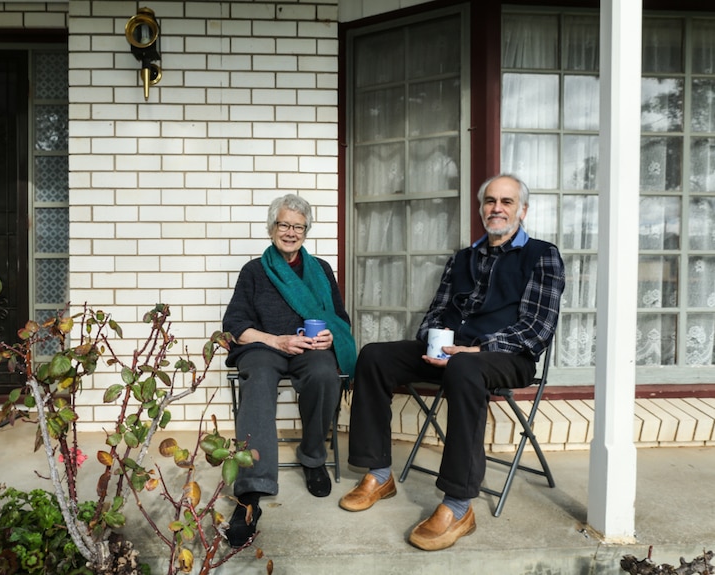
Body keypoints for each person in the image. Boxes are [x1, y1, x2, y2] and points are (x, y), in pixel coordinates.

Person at [339, 174, 565, 551]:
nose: (496, 208)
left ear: (522, 210)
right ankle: (378, 474)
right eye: (490, 201)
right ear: (481, 209)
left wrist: (477, 350)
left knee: (465, 368)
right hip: (452, 354)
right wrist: (435, 341)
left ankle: (458, 505)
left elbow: (538, 328)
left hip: (507, 356)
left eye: (506, 202)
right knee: (375, 355)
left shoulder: (542, 255)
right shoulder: (462, 258)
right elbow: (436, 311)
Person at [222, 193, 357, 547]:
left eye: (299, 226)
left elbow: (339, 320)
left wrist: (329, 336)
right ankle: (250, 492)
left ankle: (313, 457)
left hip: (308, 349)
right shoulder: (254, 271)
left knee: (325, 374)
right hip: (265, 346)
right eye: (284, 224)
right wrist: (277, 341)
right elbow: (235, 324)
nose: (291, 232)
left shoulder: (321, 270)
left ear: (306, 232)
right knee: (260, 378)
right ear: (271, 228)